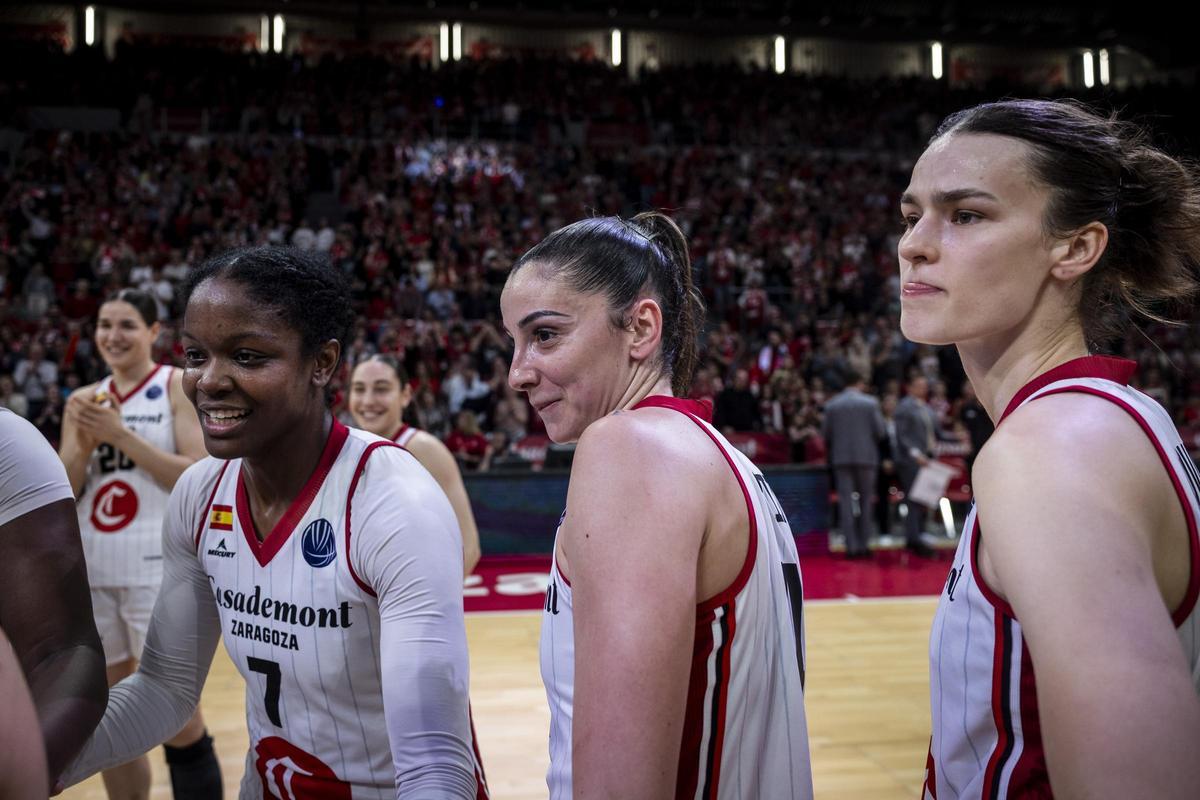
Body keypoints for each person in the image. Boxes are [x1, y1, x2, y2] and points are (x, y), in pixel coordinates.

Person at [60, 246, 487, 799]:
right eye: (195, 355)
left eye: (247, 356)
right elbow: (164, 690)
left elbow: (435, 767)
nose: (209, 381)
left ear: (322, 363)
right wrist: (34, 759)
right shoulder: (199, 492)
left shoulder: (396, 502)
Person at [898, 99, 1200, 799]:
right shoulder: (1108, 419)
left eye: (965, 215)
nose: (914, 244)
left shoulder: (1053, 450)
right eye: (911, 215)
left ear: (1075, 248)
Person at [502, 213, 813, 799]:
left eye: (544, 335)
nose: (517, 374)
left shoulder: (630, 450)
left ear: (641, 328)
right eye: (513, 344)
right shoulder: (722, 457)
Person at [58, 288, 221, 800]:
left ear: (153, 331)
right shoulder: (83, 400)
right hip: (96, 570)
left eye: (127, 324)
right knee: (109, 715)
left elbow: (197, 475)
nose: (113, 335)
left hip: (158, 568)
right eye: (105, 325)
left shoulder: (175, 385)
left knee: (177, 715)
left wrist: (120, 435)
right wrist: (84, 445)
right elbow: (64, 490)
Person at [0, 407, 107, 792]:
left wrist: (28, 765)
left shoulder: (8, 440)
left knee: (180, 717)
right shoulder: (81, 403)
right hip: (94, 558)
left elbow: (59, 651)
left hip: (140, 560)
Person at [348, 354, 483, 575]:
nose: (368, 400)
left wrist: (433, 596)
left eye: (381, 389)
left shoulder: (426, 450)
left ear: (405, 395)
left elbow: (468, 547)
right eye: (359, 389)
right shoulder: (345, 450)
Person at [821, 369, 886, 558]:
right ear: (860, 383)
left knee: (845, 502)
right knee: (866, 501)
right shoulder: (870, 403)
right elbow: (880, 431)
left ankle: (851, 547)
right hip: (866, 457)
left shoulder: (832, 404)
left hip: (841, 457)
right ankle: (864, 545)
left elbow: (825, 433)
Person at [894, 373, 938, 556]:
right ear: (910, 387)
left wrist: (958, 437)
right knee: (914, 499)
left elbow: (937, 433)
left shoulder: (926, 408)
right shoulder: (904, 407)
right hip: (911, 460)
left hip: (928, 458)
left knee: (924, 499)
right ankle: (913, 538)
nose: (923, 388)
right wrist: (916, 454)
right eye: (919, 385)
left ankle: (920, 535)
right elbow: (902, 436)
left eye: (925, 385)